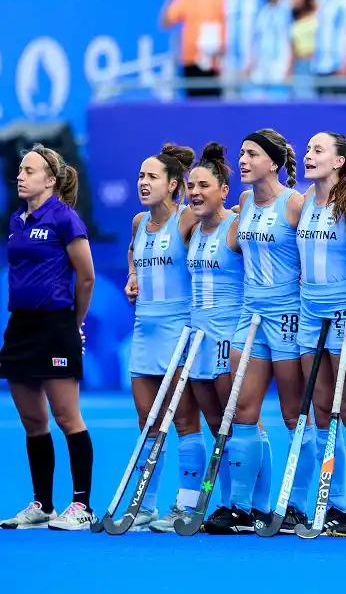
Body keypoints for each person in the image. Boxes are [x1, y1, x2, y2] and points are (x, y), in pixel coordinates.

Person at [207, 129, 305, 534]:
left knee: (292, 414)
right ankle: (242, 508)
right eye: (242, 153)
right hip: (250, 317)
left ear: (274, 163)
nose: (243, 160)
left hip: (287, 317)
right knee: (242, 412)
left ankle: (297, 506)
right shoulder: (244, 202)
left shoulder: (295, 204)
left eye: (252, 154)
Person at [0, 146, 96, 530]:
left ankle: (82, 506)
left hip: (56, 325)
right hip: (19, 328)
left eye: (30, 170)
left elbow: (86, 276)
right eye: (20, 170)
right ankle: (43, 504)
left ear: (50, 180)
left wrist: (73, 321)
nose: (20, 176)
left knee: (66, 417)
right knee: (33, 421)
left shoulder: (64, 218)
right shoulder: (16, 220)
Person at [123, 143, 202, 532]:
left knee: (185, 420)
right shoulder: (139, 223)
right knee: (146, 421)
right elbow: (132, 253)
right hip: (144, 329)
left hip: (178, 330)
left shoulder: (187, 220)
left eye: (152, 176)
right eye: (141, 176)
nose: (143, 182)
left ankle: (186, 507)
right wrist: (132, 275)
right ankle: (145, 505)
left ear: (174, 184)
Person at [297, 132, 346, 534]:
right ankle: (334, 502)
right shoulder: (304, 201)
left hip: (344, 311)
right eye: (307, 150)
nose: (308, 155)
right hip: (309, 312)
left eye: (318, 150)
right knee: (322, 411)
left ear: (340, 162)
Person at [177, 143, 245, 530]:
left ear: (223, 189)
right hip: (198, 337)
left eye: (203, 185)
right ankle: (223, 505)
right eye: (190, 186)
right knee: (213, 422)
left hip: (227, 334)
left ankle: (245, 505)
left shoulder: (236, 225)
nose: (195, 192)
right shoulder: (192, 228)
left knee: (239, 424)